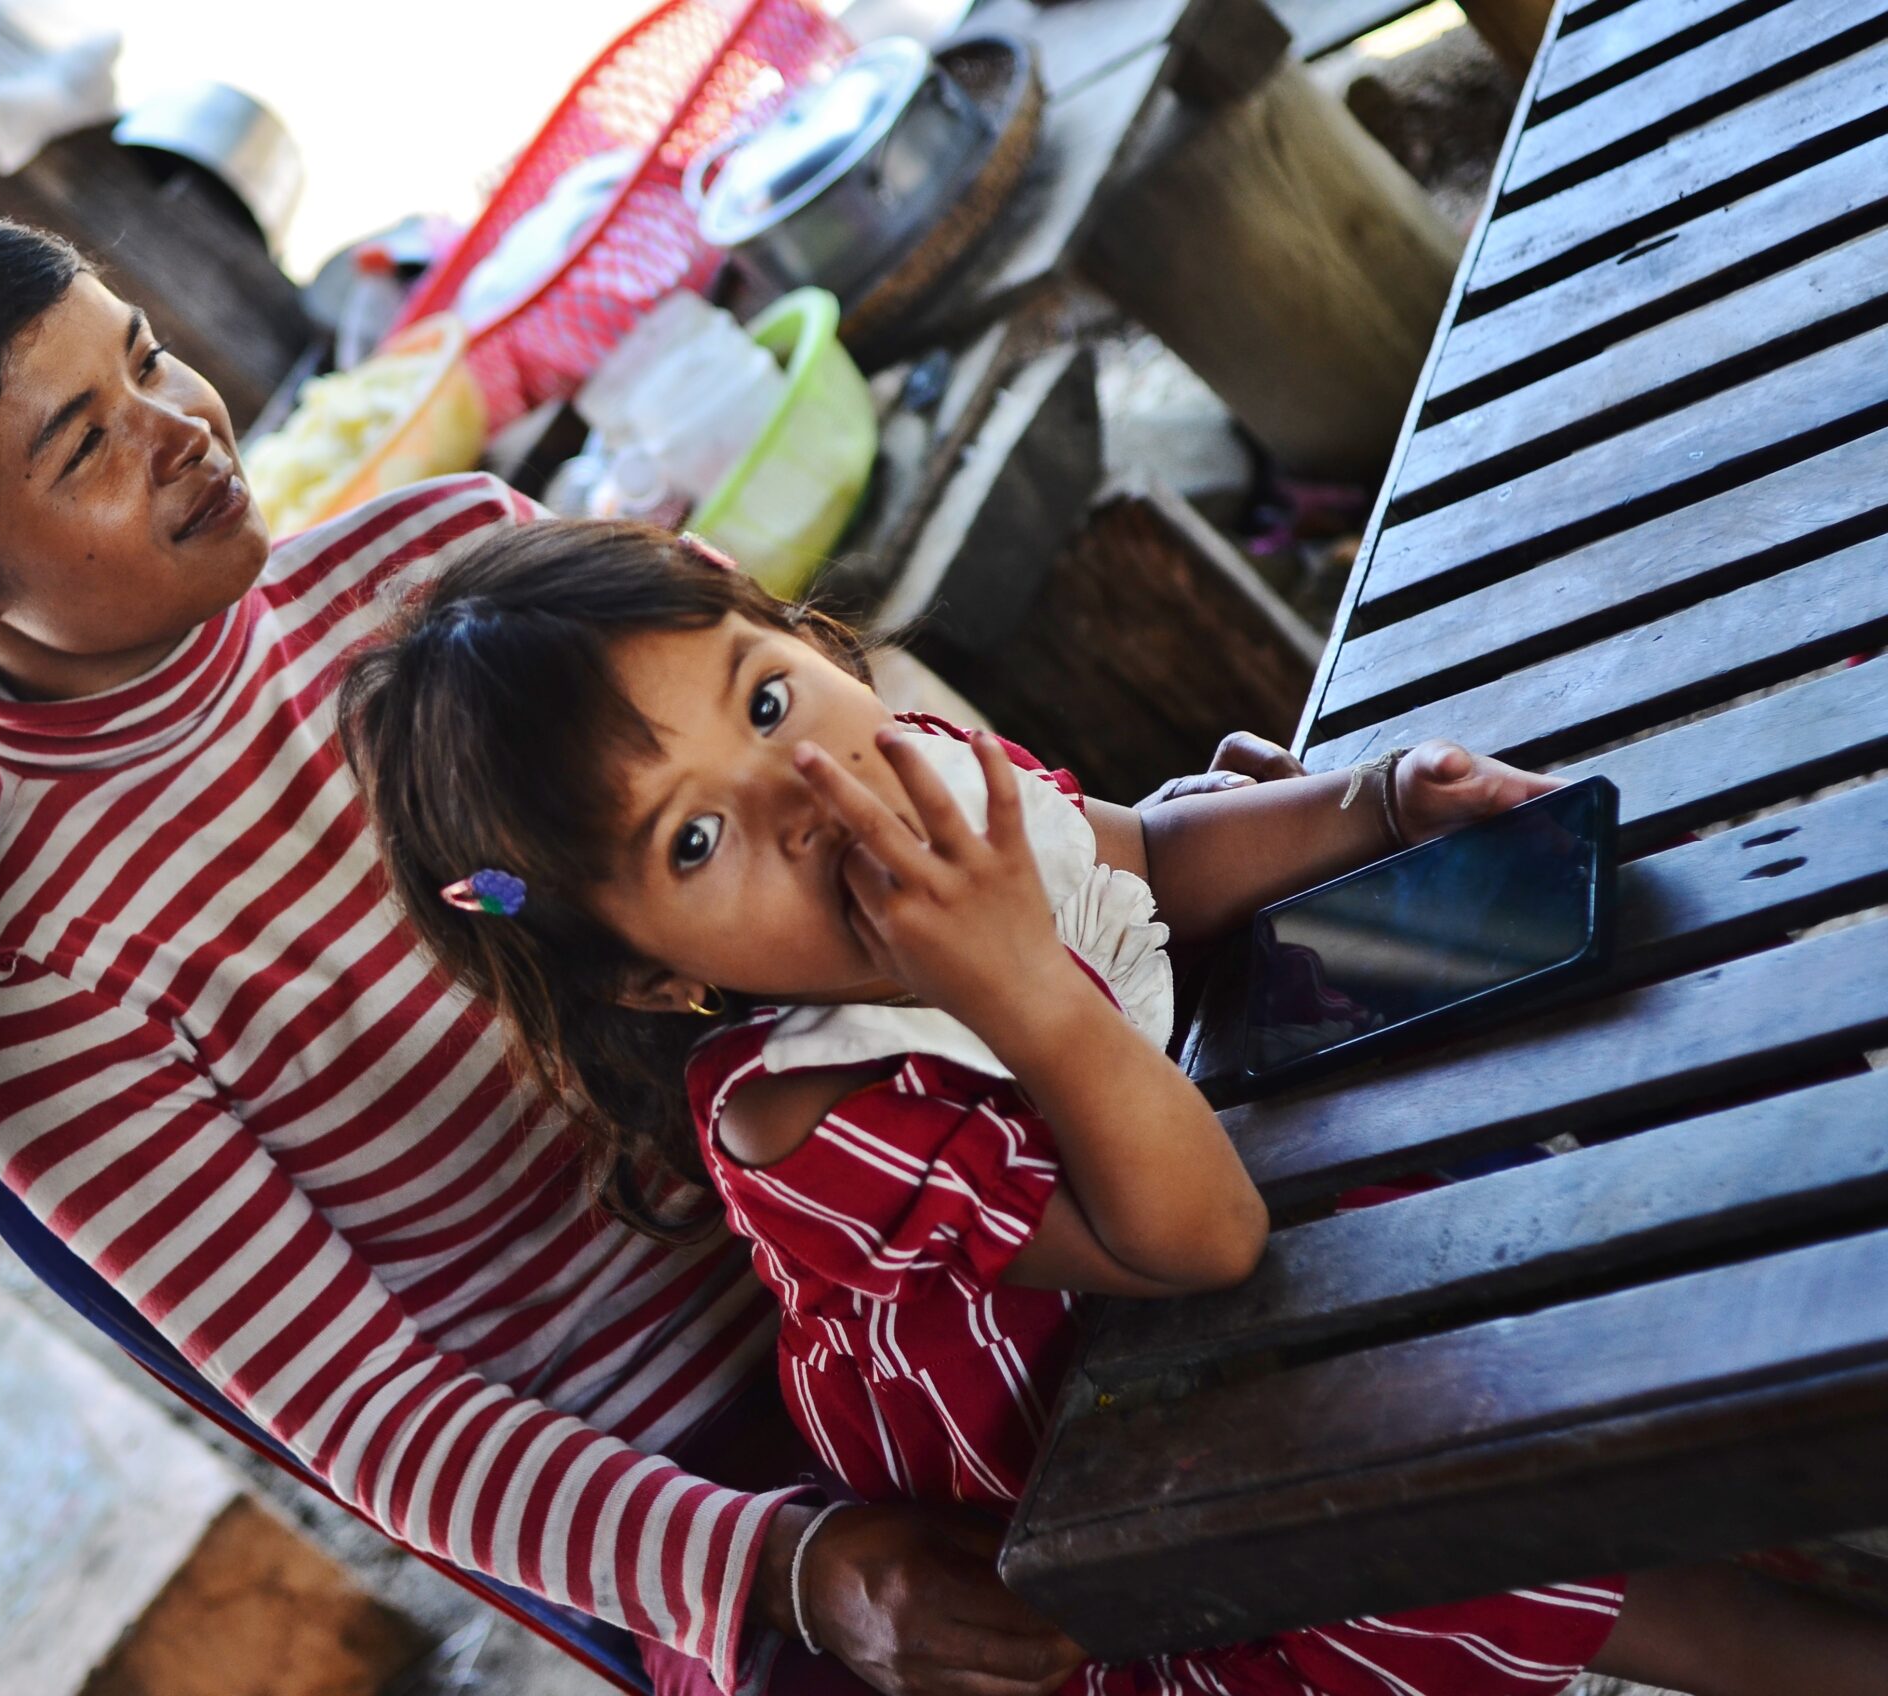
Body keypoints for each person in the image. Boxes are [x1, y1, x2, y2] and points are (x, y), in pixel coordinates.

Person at [0, 200, 1302, 1696]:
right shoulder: (44, 989)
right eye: (84, 444)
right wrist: (796, 1570)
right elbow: (383, 1421)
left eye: (144, 357)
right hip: (734, 1464)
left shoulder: (444, 570)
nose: (179, 428)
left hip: (988, 1187)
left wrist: (1140, 857)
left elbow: (870, 793)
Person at [339, 518, 1888, 1696]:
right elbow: (1197, 1242)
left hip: (1224, 1191)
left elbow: (1139, 862)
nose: (804, 792)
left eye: (763, 699)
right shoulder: (805, 1119)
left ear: (794, 632)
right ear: (653, 978)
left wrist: (1376, 802)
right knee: (1499, 1536)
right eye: (694, 842)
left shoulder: (933, 773)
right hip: (1127, 1438)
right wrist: (1015, 981)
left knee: (1599, 1121)